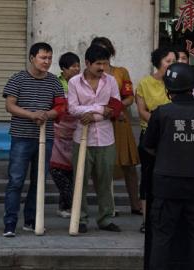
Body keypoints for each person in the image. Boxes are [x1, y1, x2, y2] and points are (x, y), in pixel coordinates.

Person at [145, 63, 194, 270]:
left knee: (162, 236)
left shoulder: (162, 113)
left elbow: (149, 147)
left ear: (168, 88)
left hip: (166, 183)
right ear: (193, 87)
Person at [2, 42, 65, 237]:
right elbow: (10, 106)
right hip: (21, 137)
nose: (47, 62)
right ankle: (10, 223)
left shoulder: (54, 82)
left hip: (45, 138)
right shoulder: (18, 78)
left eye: (49, 58)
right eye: (43, 58)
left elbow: (61, 107)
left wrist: (48, 114)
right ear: (32, 58)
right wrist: (31, 115)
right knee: (16, 180)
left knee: (39, 181)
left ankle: (31, 221)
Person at [68, 44, 123, 233]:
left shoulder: (111, 81)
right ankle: (80, 218)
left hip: (106, 138)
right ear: (87, 63)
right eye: (98, 64)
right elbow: (72, 109)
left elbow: (115, 107)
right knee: (80, 181)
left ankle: (106, 218)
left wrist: (93, 114)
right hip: (81, 138)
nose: (102, 68)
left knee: (105, 180)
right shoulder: (74, 82)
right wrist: (100, 109)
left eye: (105, 64)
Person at [91, 37, 141, 215]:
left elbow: (129, 97)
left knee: (129, 165)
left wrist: (115, 107)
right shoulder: (88, 76)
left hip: (119, 121)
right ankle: (107, 206)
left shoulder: (121, 72)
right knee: (102, 166)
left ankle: (136, 204)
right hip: (98, 122)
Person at [136, 47, 177, 235]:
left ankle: (168, 218)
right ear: (158, 63)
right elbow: (142, 112)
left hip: (173, 137)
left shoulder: (178, 82)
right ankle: (146, 220)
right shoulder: (144, 83)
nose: (172, 65)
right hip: (151, 136)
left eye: (174, 61)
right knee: (148, 178)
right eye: (168, 61)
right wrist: (160, 124)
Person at [50, 52, 80, 218]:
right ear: (63, 69)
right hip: (57, 132)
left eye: (78, 66)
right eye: (73, 66)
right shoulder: (55, 82)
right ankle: (71, 203)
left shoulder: (82, 83)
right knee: (57, 170)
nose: (76, 69)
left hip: (75, 131)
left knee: (71, 172)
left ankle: (64, 207)